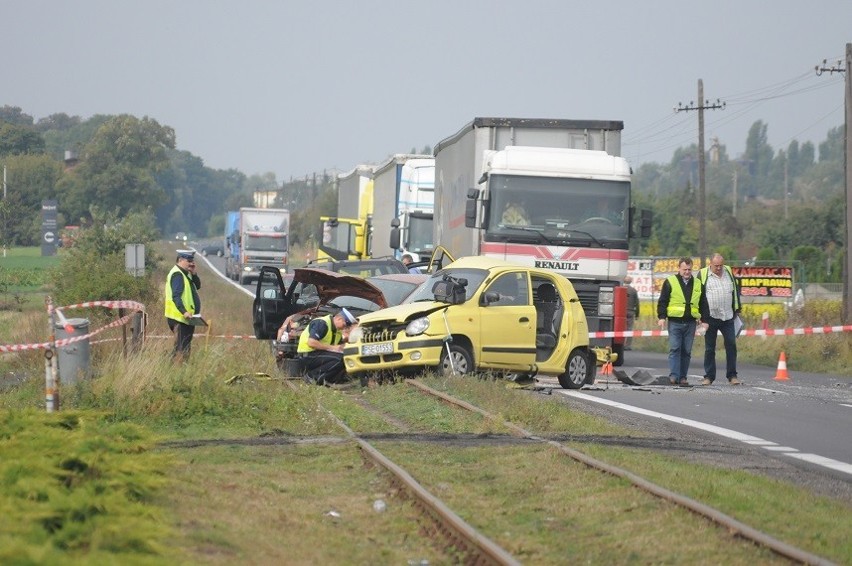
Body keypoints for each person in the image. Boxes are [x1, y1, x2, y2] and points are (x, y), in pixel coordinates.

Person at [656, 257, 703, 386]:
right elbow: (663, 301)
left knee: (686, 351)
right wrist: (661, 317)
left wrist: (703, 319)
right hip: (675, 322)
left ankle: (683, 377)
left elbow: (703, 303)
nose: (687, 272)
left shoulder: (698, 283)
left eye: (689, 269)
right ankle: (674, 376)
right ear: (679, 269)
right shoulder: (670, 281)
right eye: (684, 269)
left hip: (690, 322)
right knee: (675, 348)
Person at [697, 253, 742, 386]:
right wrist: (701, 317)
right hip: (710, 318)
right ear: (710, 263)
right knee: (710, 348)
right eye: (716, 266)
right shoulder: (703, 274)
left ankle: (732, 375)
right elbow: (698, 295)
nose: (718, 268)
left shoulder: (728, 271)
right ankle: (709, 377)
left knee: (731, 345)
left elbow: (735, 290)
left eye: (720, 265)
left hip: (727, 316)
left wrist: (737, 309)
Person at [297, 307, 358, 385]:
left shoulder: (337, 330)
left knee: (346, 357)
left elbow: (338, 346)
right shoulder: (322, 323)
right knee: (339, 359)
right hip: (307, 355)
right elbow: (311, 343)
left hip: (319, 355)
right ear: (339, 319)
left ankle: (332, 380)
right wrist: (333, 348)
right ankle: (312, 377)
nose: (345, 327)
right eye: (345, 324)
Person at [164, 249, 202, 362]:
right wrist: (184, 311)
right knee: (182, 348)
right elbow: (176, 296)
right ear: (180, 260)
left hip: (186, 318)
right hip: (179, 318)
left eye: (192, 261)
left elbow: (198, 286)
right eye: (189, 260)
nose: (191, 263)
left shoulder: (185, 274)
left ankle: (173, 367)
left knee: (181, 346)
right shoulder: (177, 275)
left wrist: (194, 273)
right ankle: (174, 368)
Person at [624, 275, 639, 350]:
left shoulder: (620, 289)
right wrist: (637, 314)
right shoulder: (633, 290)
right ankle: (628, 345)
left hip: (621, 313)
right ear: (631, 282)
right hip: (630, 312)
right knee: (629, 329)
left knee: (620, 329)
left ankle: (620, 344)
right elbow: (637, 303)